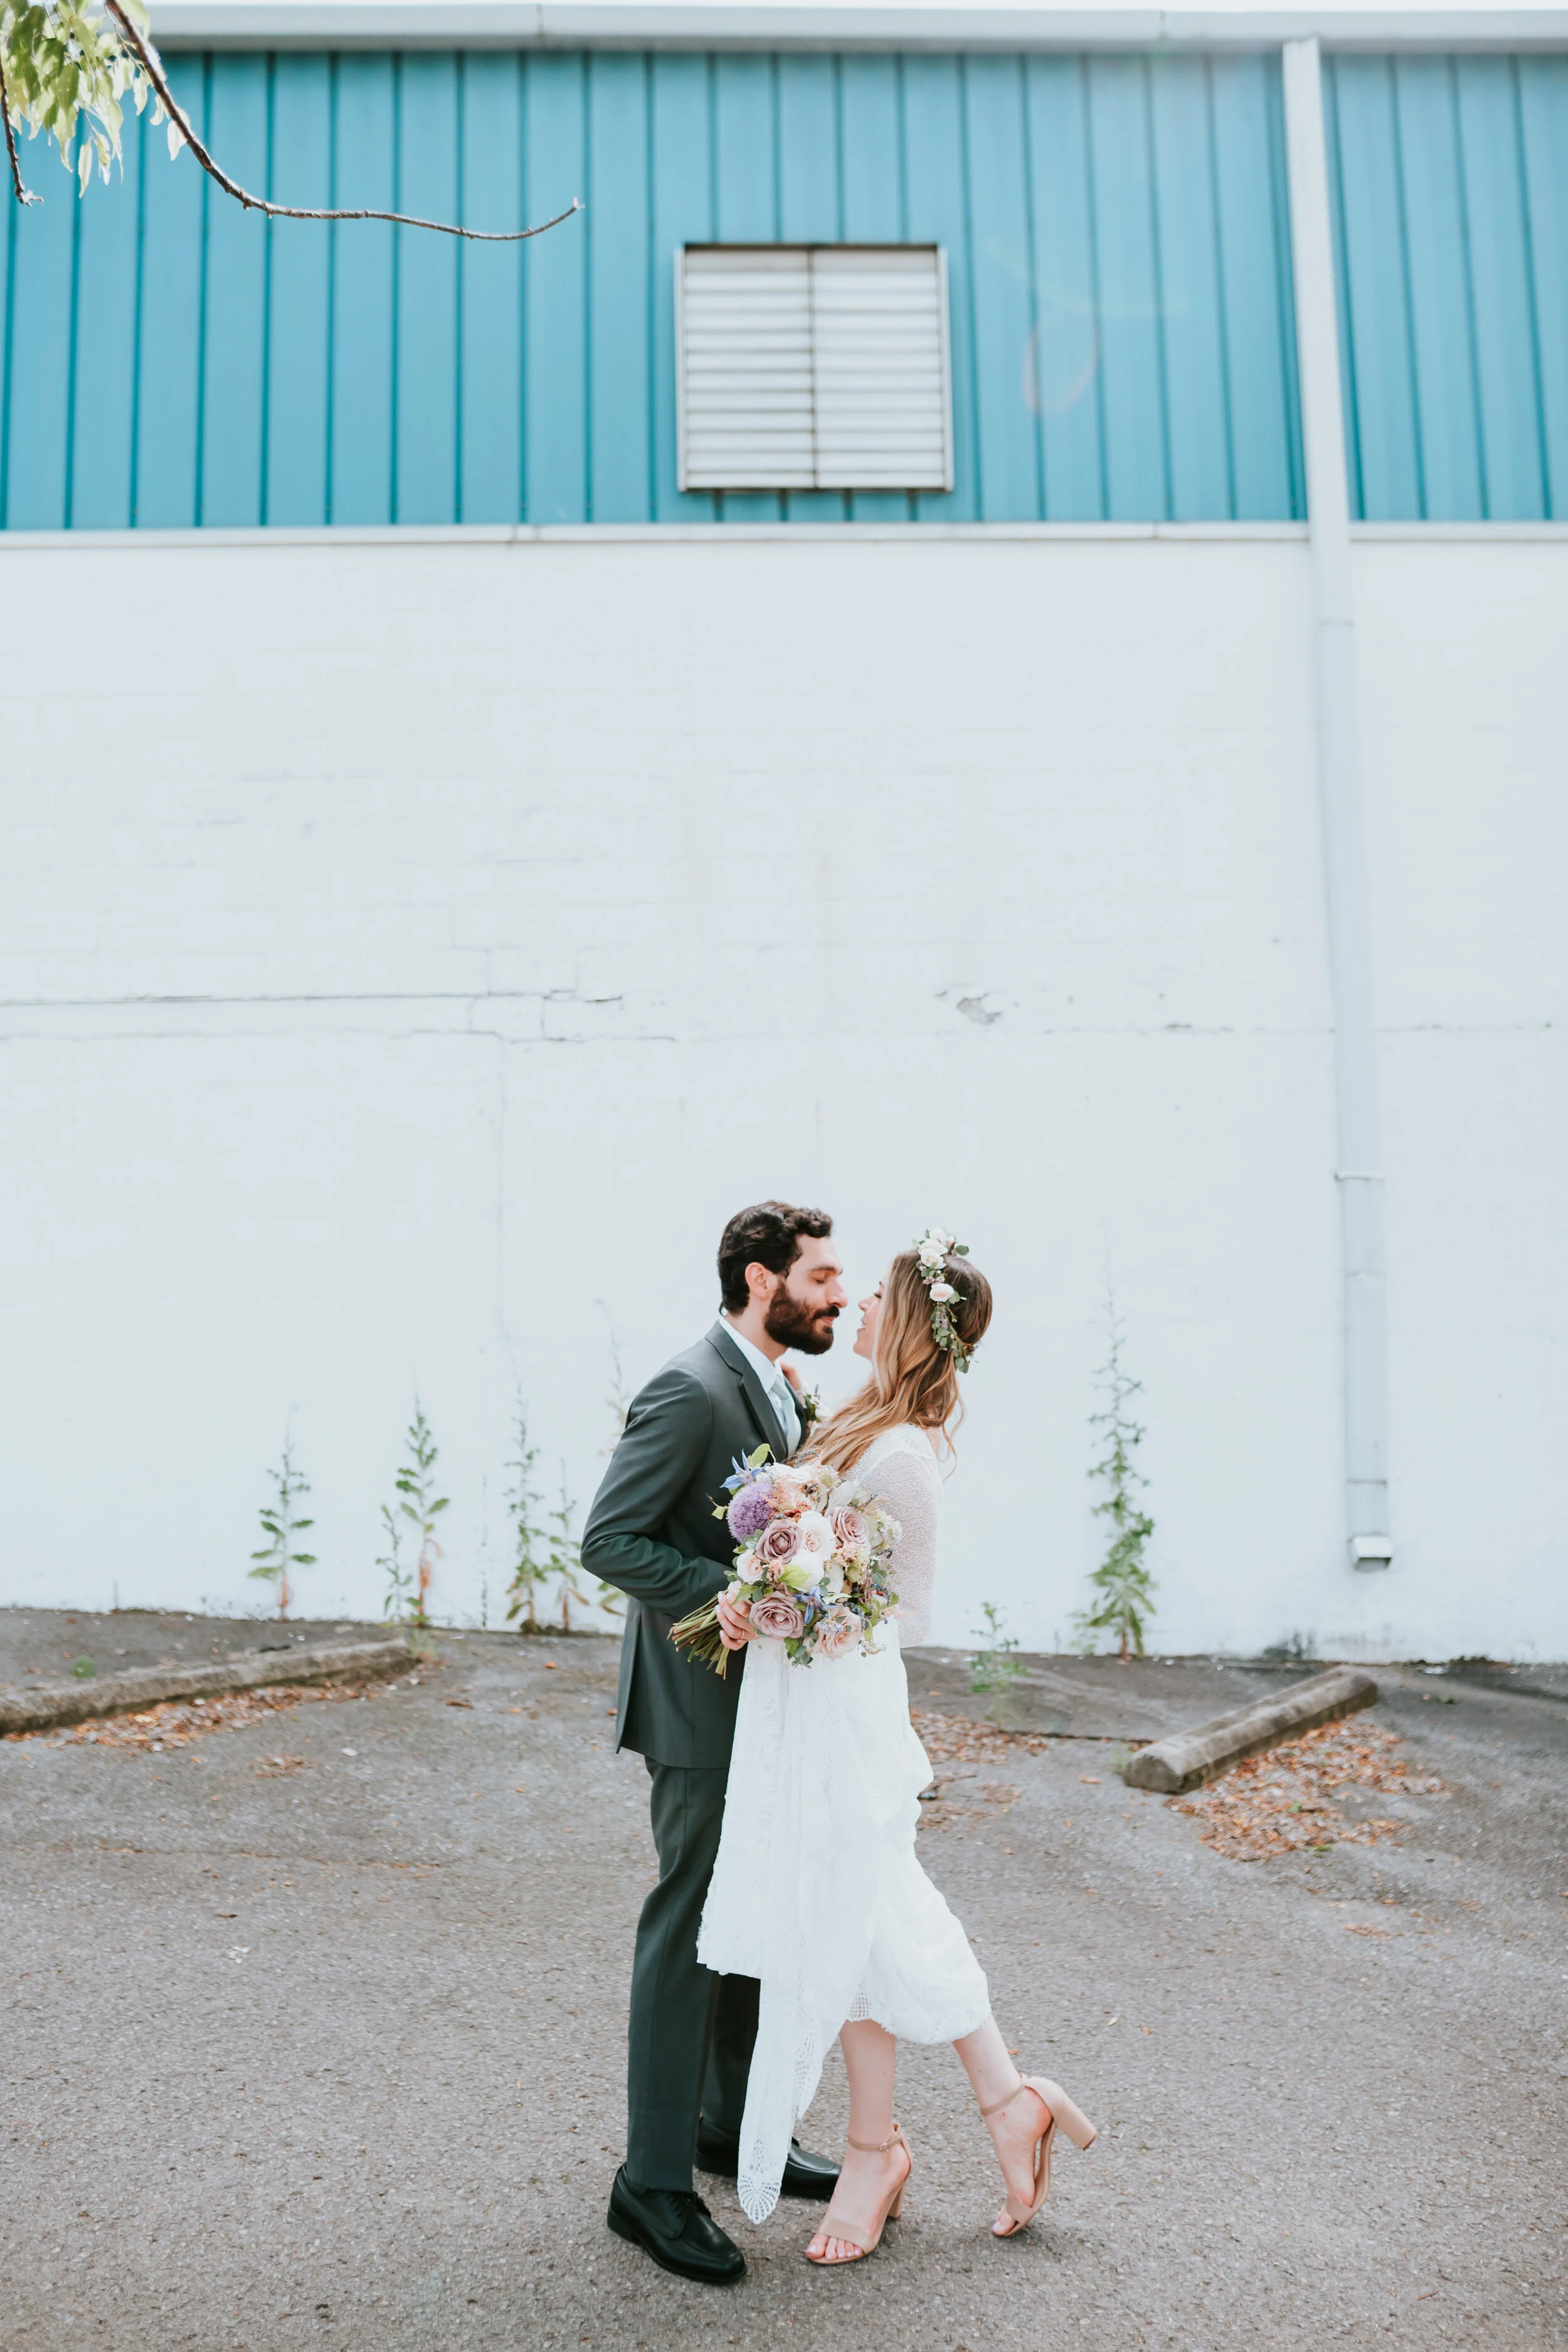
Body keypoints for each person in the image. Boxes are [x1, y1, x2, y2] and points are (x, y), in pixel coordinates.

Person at [697, 1236, 1096, 2264]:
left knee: (857, 1910)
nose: (859, 1301)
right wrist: (762, 1597)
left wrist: (798, 1605)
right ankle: (992, 2106)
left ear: (911, 1318)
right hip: (807, 1704)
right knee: (862, 1917)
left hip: (848, 1711)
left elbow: (905, 1613)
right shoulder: (851, 1416)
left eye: (876, 1292)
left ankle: (896, 2141)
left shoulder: (905, 1454)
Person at [581, 1200, 847, 2286]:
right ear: (758, 1278)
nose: (839, 1295)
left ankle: (725, 2127)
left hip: (765, 1707)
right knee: (689, 1929)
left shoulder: (778, 1382)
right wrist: (733, 1588)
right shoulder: (690, 1389)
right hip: (699, 1709)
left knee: (754, 1919)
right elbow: (611, 1538)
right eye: (822, 1277)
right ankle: (648, 2183)